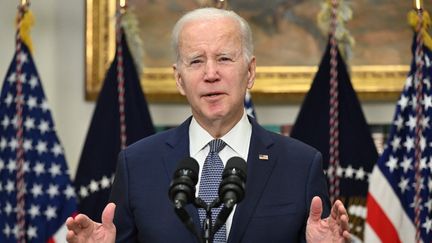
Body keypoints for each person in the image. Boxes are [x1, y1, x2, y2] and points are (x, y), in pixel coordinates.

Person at [66, 7, 350, 243]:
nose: (211, 74)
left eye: (224, 58)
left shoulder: (300, 164)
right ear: (179, 79)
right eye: (196, 61)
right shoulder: (137, 164)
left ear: (250, 72)